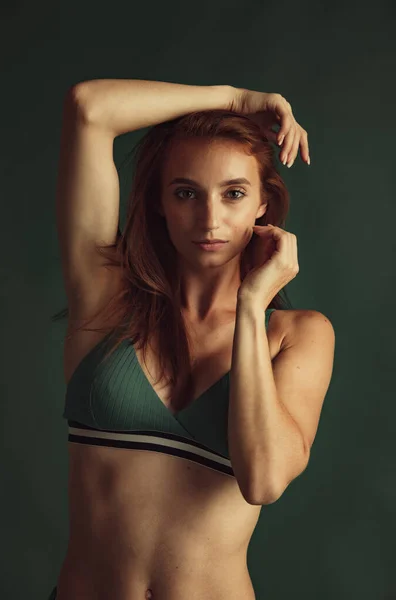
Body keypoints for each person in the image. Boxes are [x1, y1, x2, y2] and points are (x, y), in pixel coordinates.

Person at [49, 79, 334, 599]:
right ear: (159, 202)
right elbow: (89, 109)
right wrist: (236, 99)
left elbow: (263, 481)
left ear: (262, 206)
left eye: (234, 194)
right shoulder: (104, 297)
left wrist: (251, 306)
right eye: (186, 193)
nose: (210, 219)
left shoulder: (295, 336)